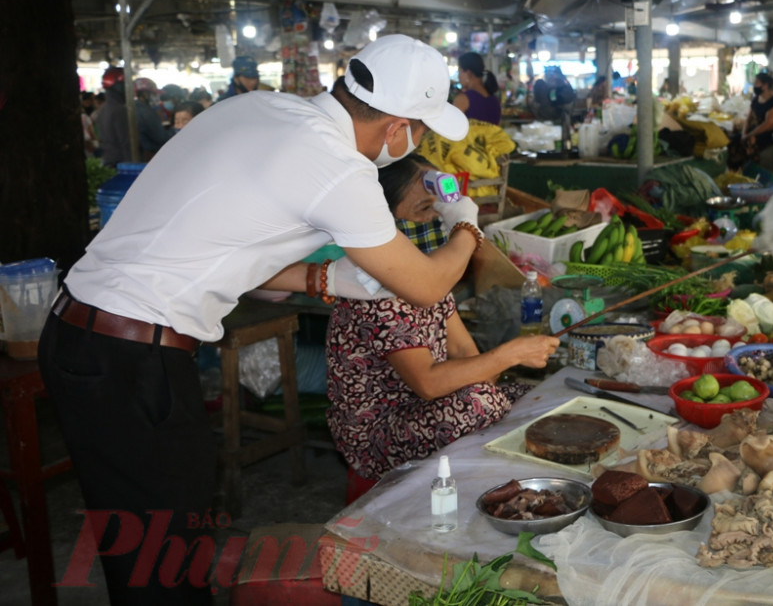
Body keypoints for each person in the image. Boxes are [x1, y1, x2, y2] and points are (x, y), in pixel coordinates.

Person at [38, 34, 480, 605]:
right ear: (397, 127)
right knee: (161, 558)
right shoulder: (337, 167)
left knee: (144, 540)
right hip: (132, 357)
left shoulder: (265, 107)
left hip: (82, 335)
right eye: (418, 131)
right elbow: (427, 285)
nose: (415, 143)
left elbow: (228, 243)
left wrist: (324, 279)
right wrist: (465, 224)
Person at [326, 156, 558, 497]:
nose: (436, 221)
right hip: (379, 434)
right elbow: (429, 383)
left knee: (537, 400)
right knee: (479, 402)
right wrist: (510, 354)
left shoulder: (428, 279)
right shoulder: (373, 290)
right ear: (383, 221)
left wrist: (499, 369)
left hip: (423, 411)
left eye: (441, 211)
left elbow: (467, 353)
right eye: (424, 209)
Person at [741, 71, 773, 174]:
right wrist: (743, 133)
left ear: (765, 86)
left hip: (767, 134)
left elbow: (768, 124)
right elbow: (748, 119)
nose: (754, 85)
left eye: (757, 83)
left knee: (750, 142)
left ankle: (754, 173)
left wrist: (750, 135)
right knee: (734, 140)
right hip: (753, 131)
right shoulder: (756, 100)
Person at [452, 51, 501, 125]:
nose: (459, 76)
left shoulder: (463, 99)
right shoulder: (495, 100)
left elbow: (451, 127)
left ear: (468, 73)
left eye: (459, 71)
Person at [95, 67, 129, 167]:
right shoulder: (119, 110)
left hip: (109, 159)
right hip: (120, 163)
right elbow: (125, 143)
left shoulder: (104, 108)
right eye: (125, 84)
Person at [134, 77, 172, 160]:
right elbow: (161, 137)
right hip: (150, 155)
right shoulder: (147, 112)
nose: (157, 97)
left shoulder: (134, 108)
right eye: (154, 94)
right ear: (145, 94)